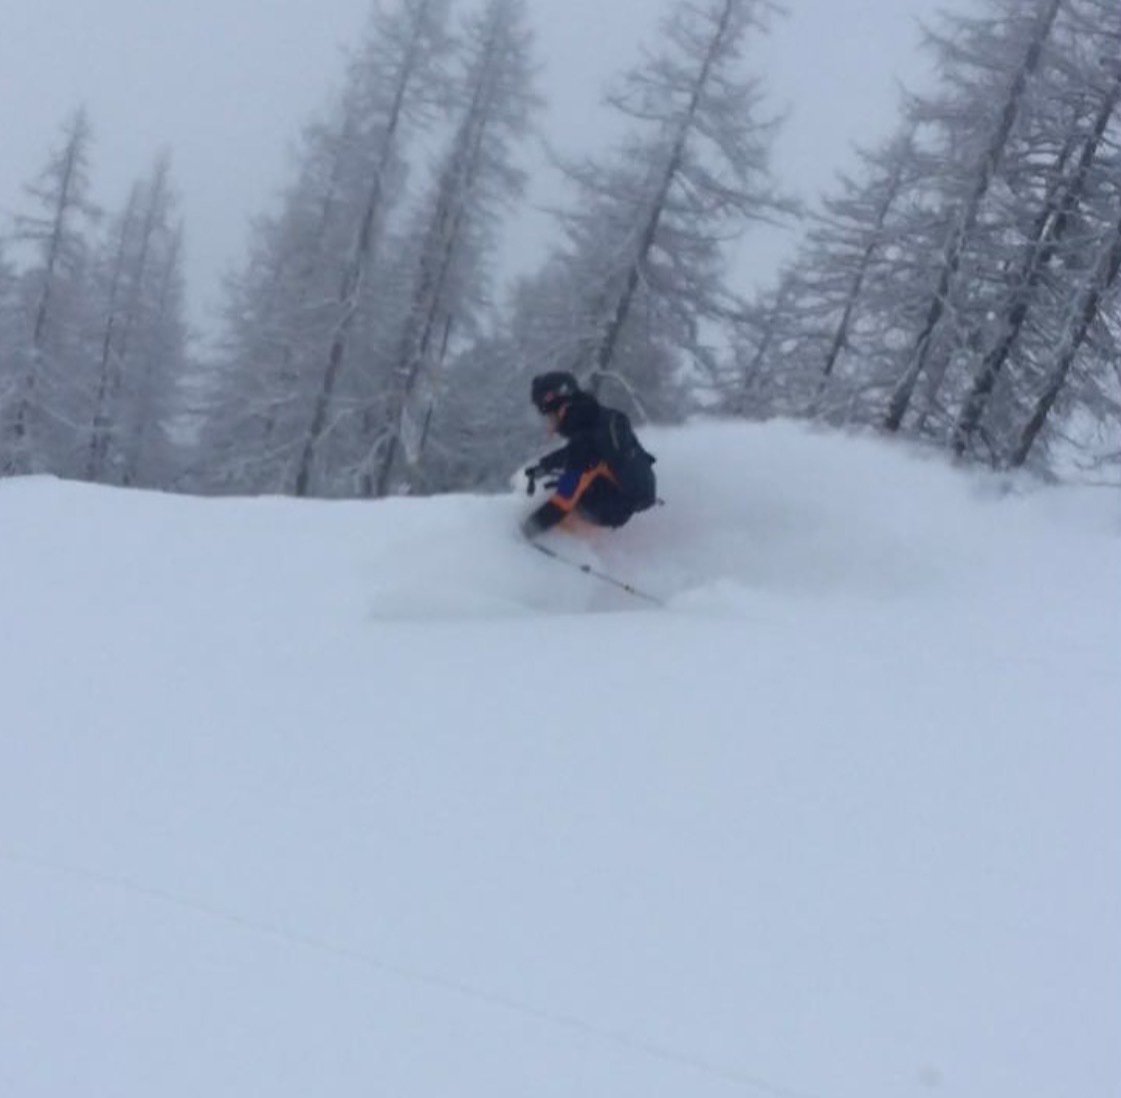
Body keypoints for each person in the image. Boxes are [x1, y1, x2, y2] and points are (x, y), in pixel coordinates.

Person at [520, 371, 656, 540]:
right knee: (567, 481)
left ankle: (563, 542)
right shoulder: (595, 419)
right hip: (627, 494)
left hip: (614, 506)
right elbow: (580, 452)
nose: (550, 423)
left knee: (565, 492)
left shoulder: (586, 440)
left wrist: (525, 531)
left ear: (559, 406)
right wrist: (545, 465)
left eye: (549, 415)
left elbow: (565, 496)